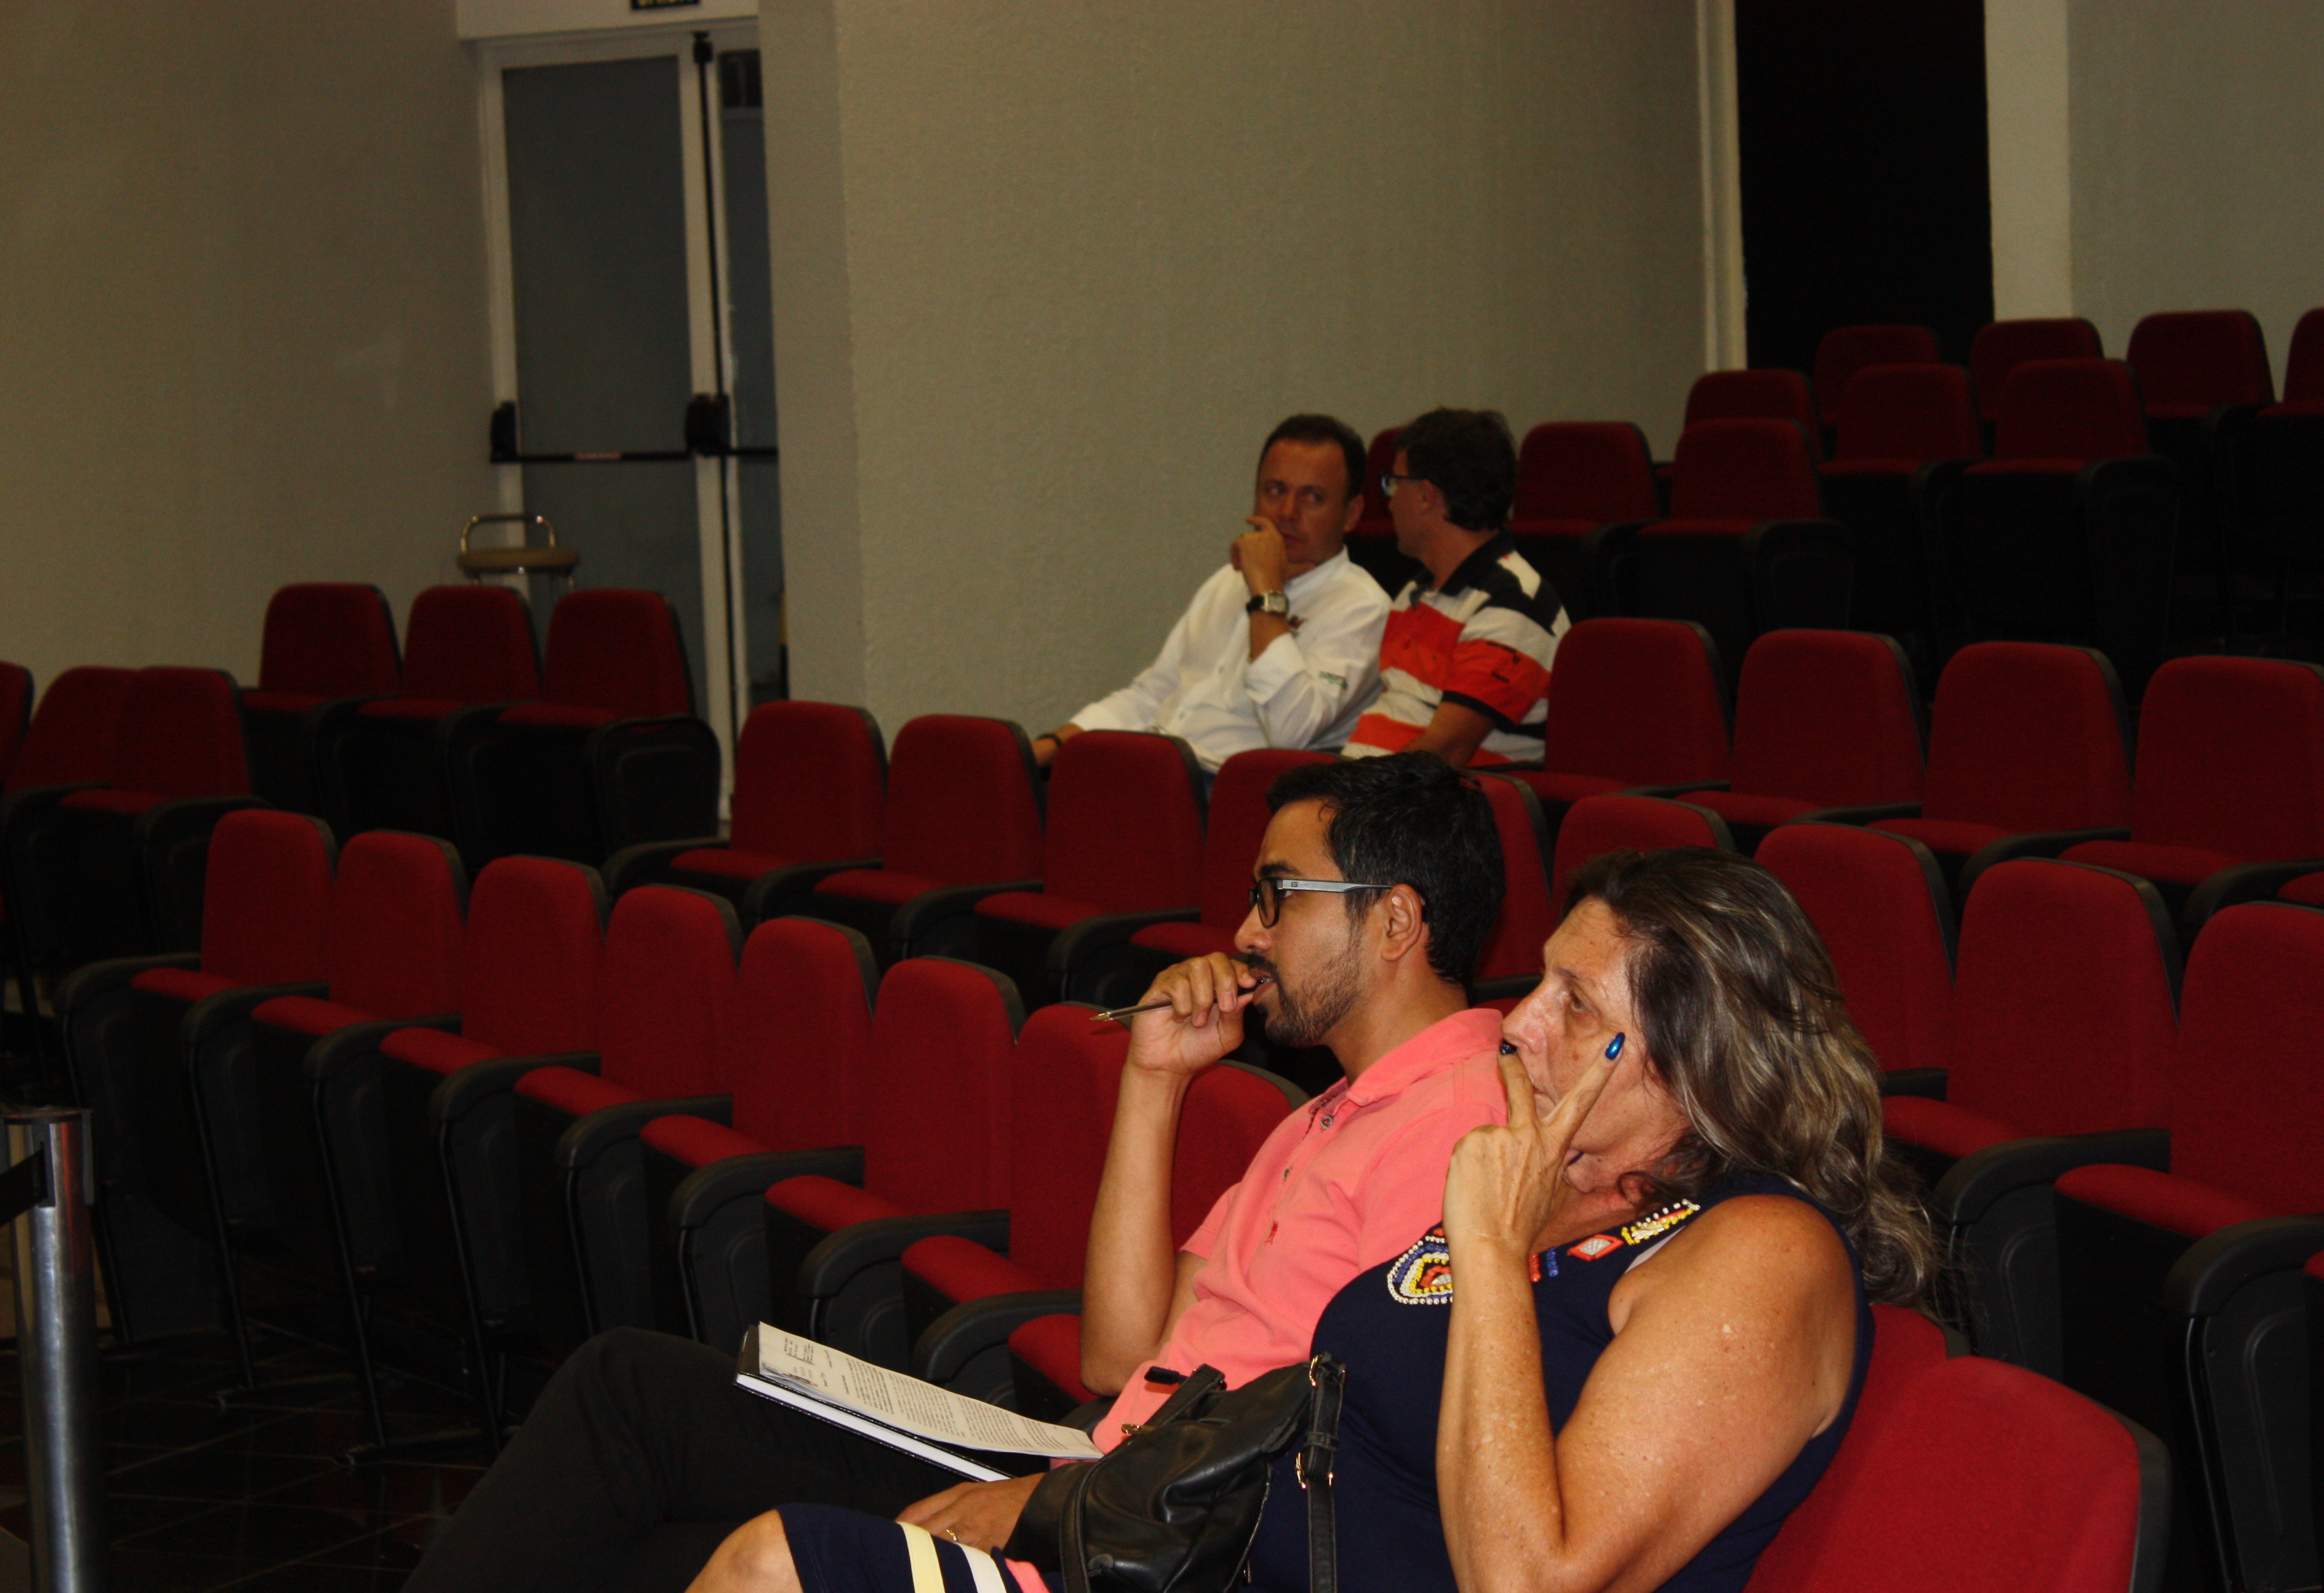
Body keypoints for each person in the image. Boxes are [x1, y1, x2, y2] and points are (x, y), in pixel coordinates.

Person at [402, 753, 1511, 1593]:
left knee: (717, 1526)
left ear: (1394, 919)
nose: (1245, 928)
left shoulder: (1459, 1131)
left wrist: (1060, 1500)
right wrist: (1152, 1080)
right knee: (631, 1407)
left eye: (1279, 893)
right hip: (1102, 1465)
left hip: (1152, 1532)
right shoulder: (1325, 1113)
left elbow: (1345, 1450)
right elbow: (1119, 1353)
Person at [704, 847, 1935, 1593]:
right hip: (1209, 1565)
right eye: (1540, 982)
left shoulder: (1761, 1250)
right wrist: (1064, 1506)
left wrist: (1487, 1249)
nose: (1519, 1023)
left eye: (1575, 1002)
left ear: (1697, 1055)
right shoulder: (1561, 1193)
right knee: (783, 1556)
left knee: (782, 1564)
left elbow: (1531, 1579)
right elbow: (1279, 1417)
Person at [1033, 414, 1391, 774]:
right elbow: (1151, 696)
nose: (1287, 513)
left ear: (1351, 514)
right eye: (1275, 491)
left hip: (1233, 790)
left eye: (1312, 498)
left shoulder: (1363, 607)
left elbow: (1291, 733)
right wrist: (1051, 746)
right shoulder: (1226, 581)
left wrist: (1267, 594)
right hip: (1157, 772)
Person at [1344, 408, 1569, 770]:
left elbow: (1443, 755)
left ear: (1425, 496)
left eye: (1395, 484)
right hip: (1376, 786)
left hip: (1436, 799)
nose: (1390, 502)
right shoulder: (1415, 593)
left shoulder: (1513, 605)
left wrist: (1347, 793)